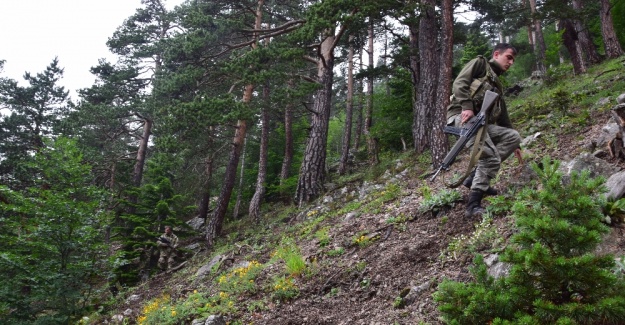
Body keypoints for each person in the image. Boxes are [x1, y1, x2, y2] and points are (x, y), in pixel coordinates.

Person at [446, 43, 523, 218]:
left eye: (513, 60)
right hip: (462, 117)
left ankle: (475, 177)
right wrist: (467, 106)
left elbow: (503, 116)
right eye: (508, 57)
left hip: (481, 123)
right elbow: (459, 83)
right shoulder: (480, 64)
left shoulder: (497, 83)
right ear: (497, 54)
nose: (511, 62)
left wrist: (516, 145)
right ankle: (473, 205)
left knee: (513, 137)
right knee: (490, 157)